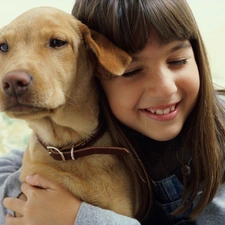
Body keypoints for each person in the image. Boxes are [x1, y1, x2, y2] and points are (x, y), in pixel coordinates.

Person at [1, 0, 225, 224]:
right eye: (132, 71)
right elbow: (11, 165)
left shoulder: (213, 136)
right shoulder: (116, 122)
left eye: (178, 61)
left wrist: (78, 218)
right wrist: (23, 200)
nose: (164, 88)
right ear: (97, 68)